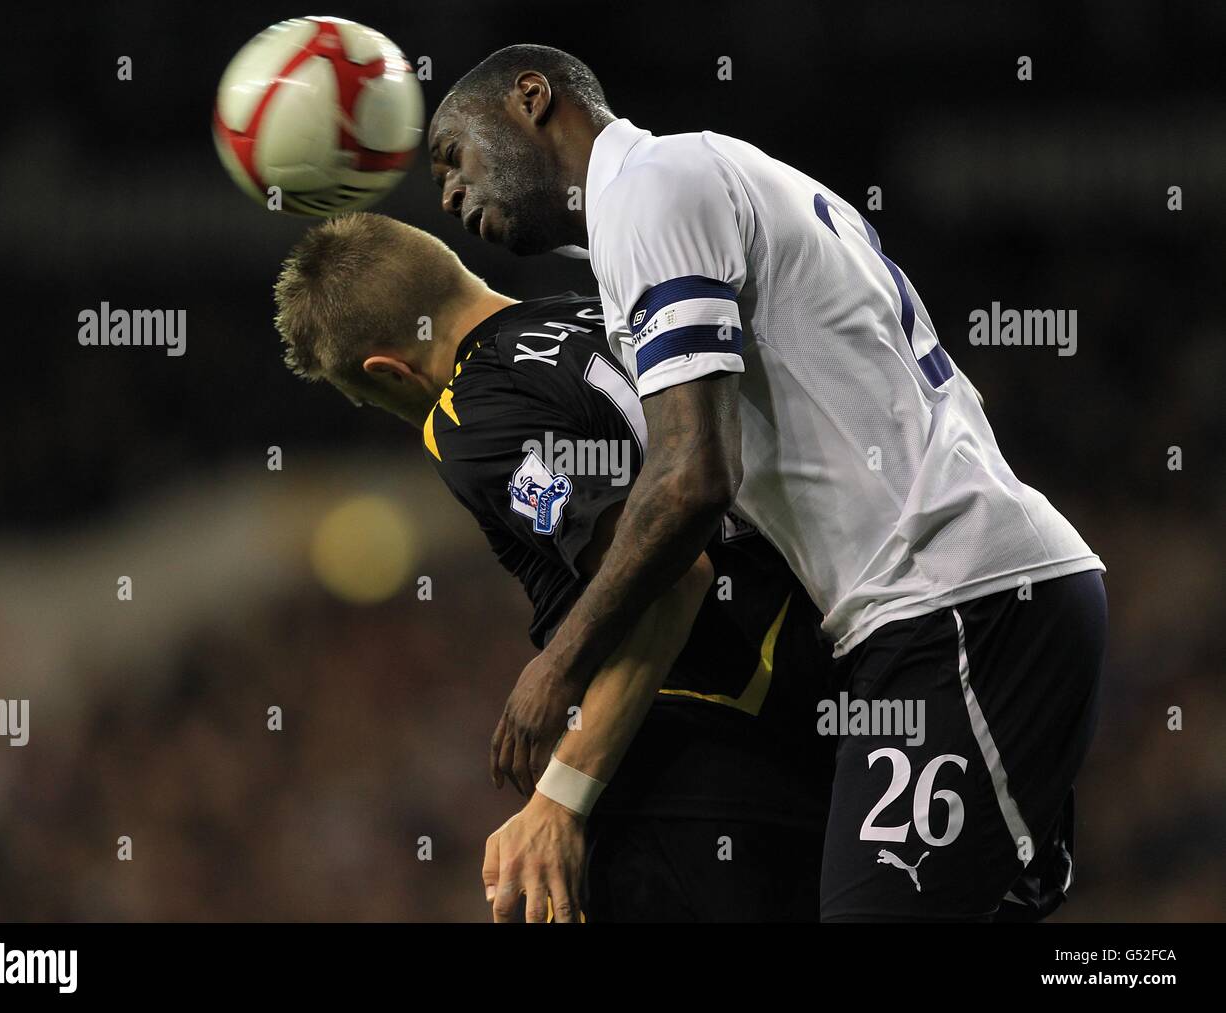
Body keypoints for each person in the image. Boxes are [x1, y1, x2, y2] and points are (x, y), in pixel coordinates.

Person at [429, 45, 1107, 921]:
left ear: (533, 99)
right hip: (937, 612)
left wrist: (559, 667)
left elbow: (694, 475)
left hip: (959, 603)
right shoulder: (704, 179)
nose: (448, 194)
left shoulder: (652, 189)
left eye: (455, 157)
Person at [272, 212, 837, 922]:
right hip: (820, 700)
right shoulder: (608, 309)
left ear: (388, 370)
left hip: (701, 746)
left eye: (366, 397)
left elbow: (667, 571)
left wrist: (558, 799)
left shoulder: (469, 415)